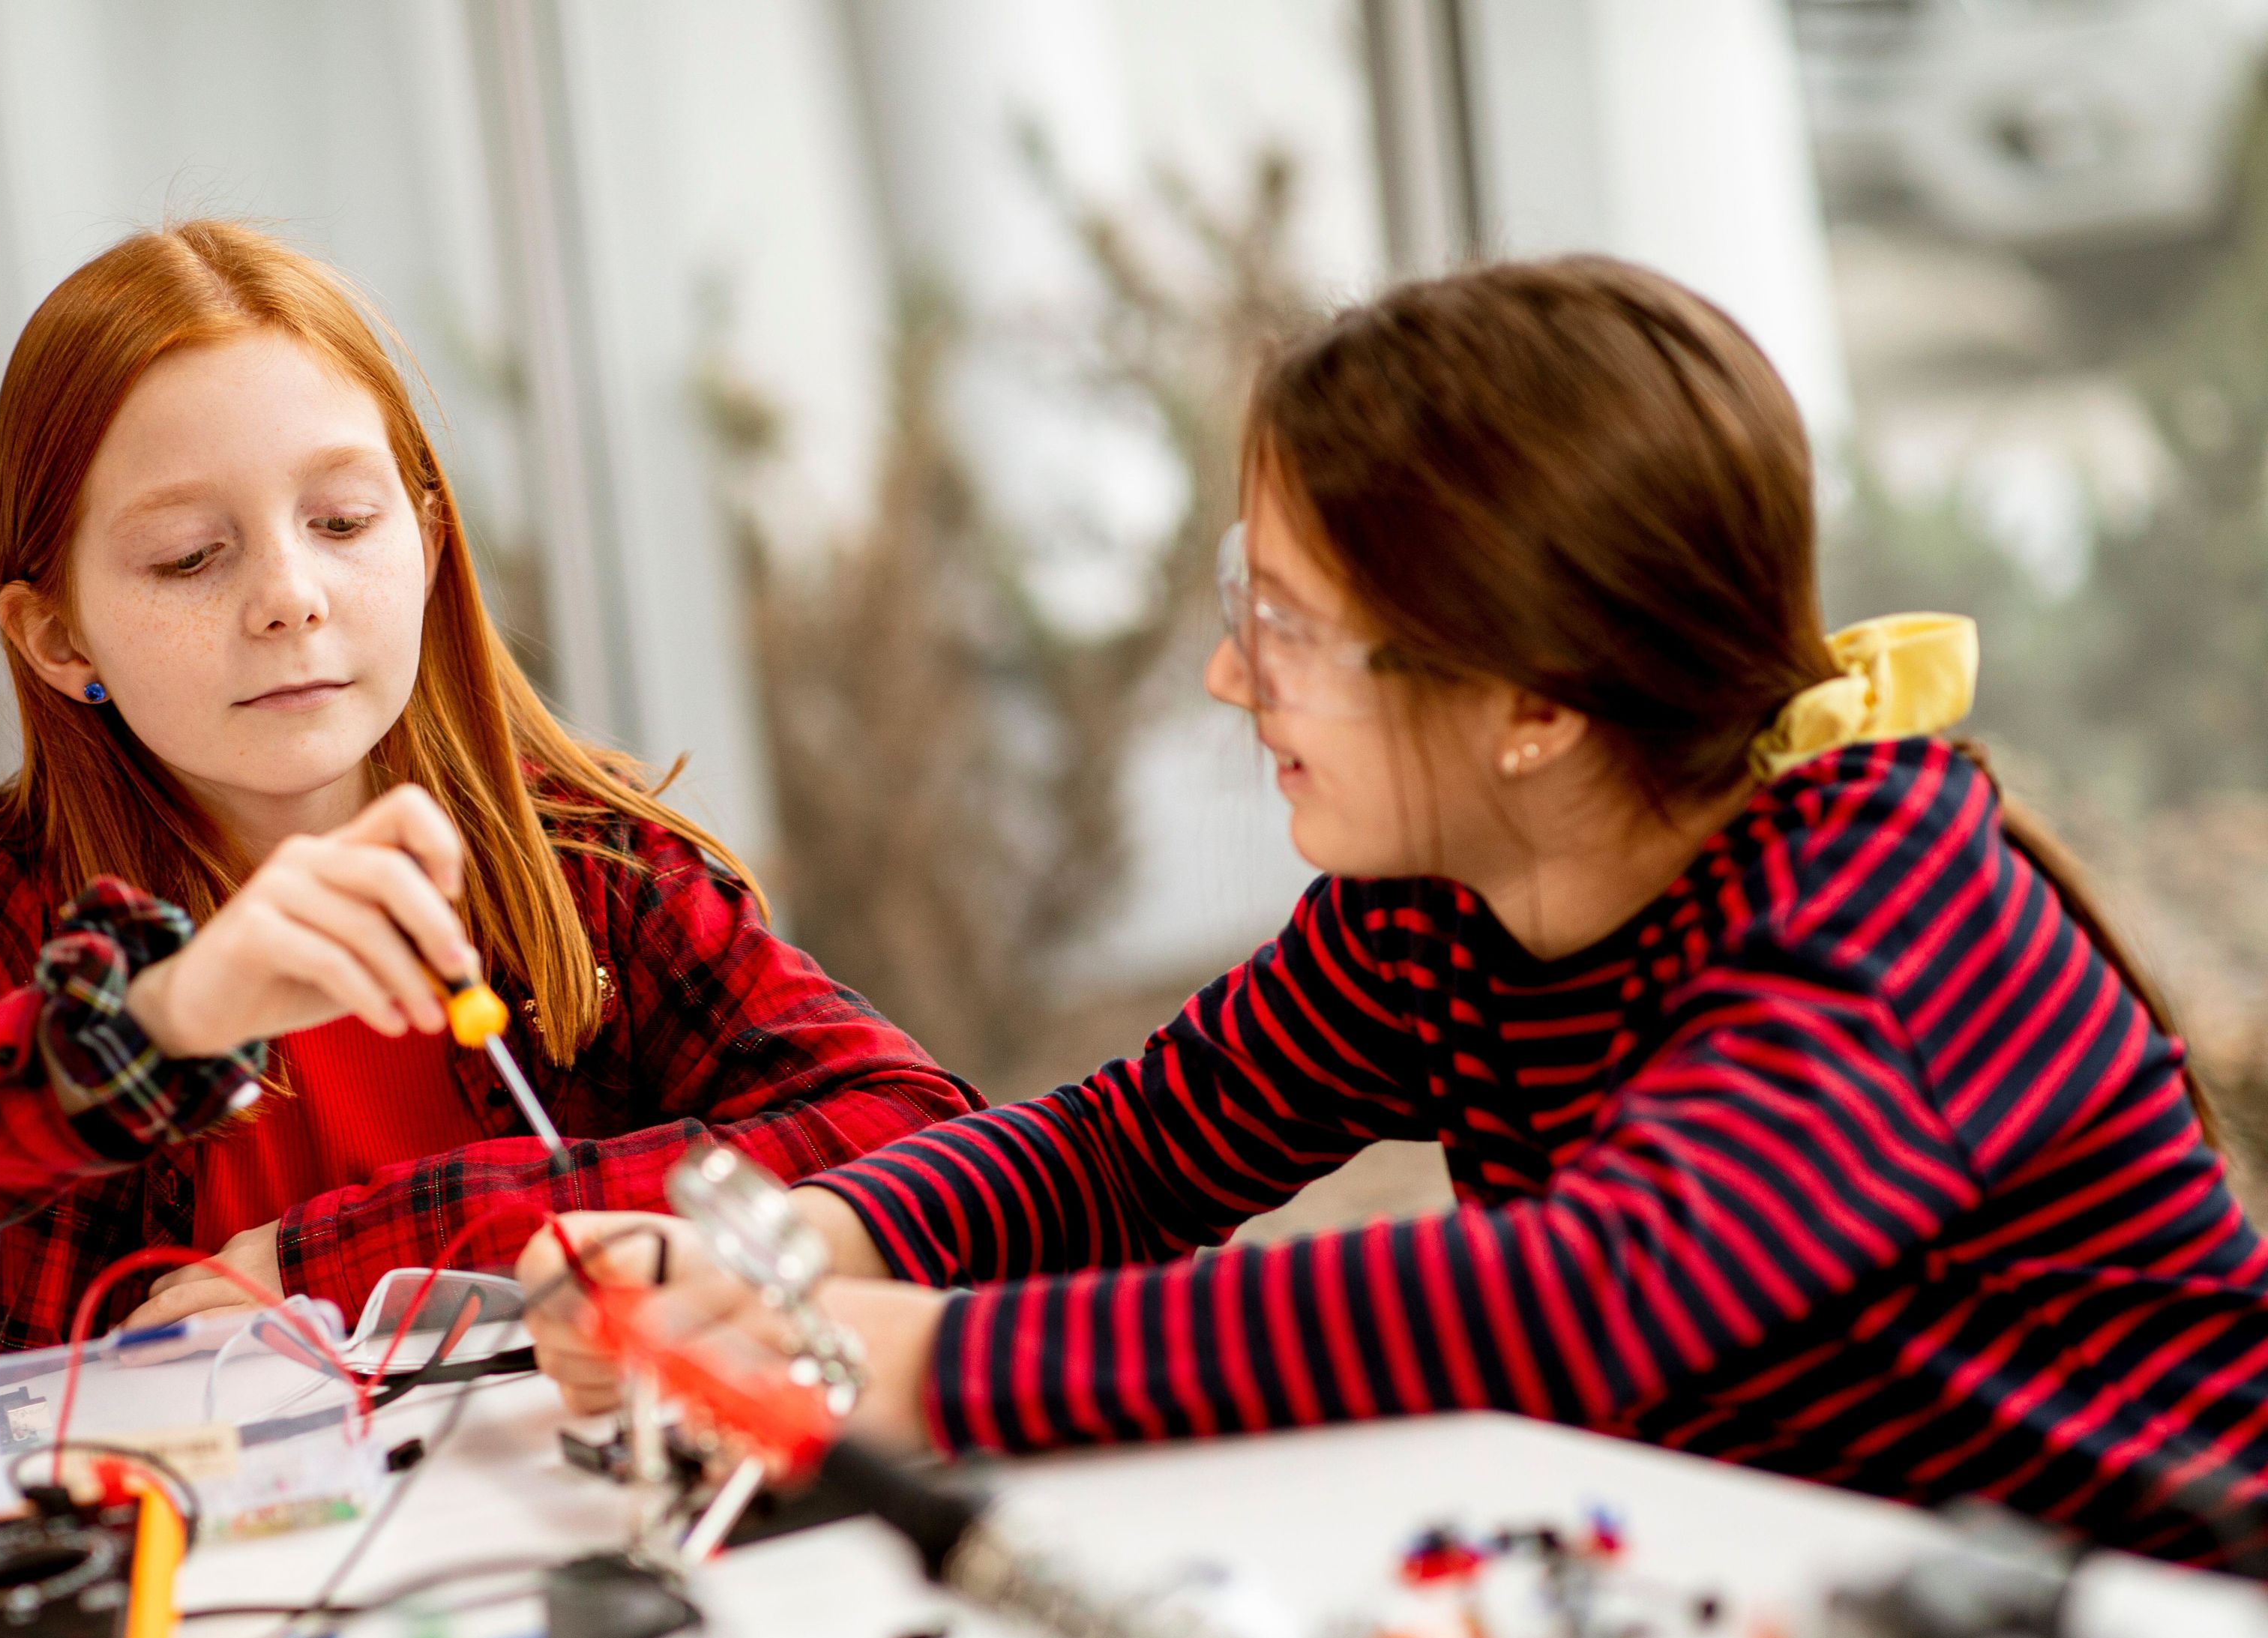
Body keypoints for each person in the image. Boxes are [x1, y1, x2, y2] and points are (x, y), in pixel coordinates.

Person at [523, 256, 2268, 1568]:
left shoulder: (1883, 909)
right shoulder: (1436, 905)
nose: (1226, 674)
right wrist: (792, 1255)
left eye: (1281, 624)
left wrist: (911, 1366)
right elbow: (1130, 1153)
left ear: (1530, 702)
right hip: (1832, 1629)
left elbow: (1574, 1301)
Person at [0, 221, 977, 1355]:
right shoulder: (15, 891)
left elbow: (912, 1130)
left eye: (344, 524)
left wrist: (359, 1255)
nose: (289, 598)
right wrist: (160, 1018)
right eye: (189, 557)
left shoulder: (585, 864)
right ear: (60, 639)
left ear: (425, 548)